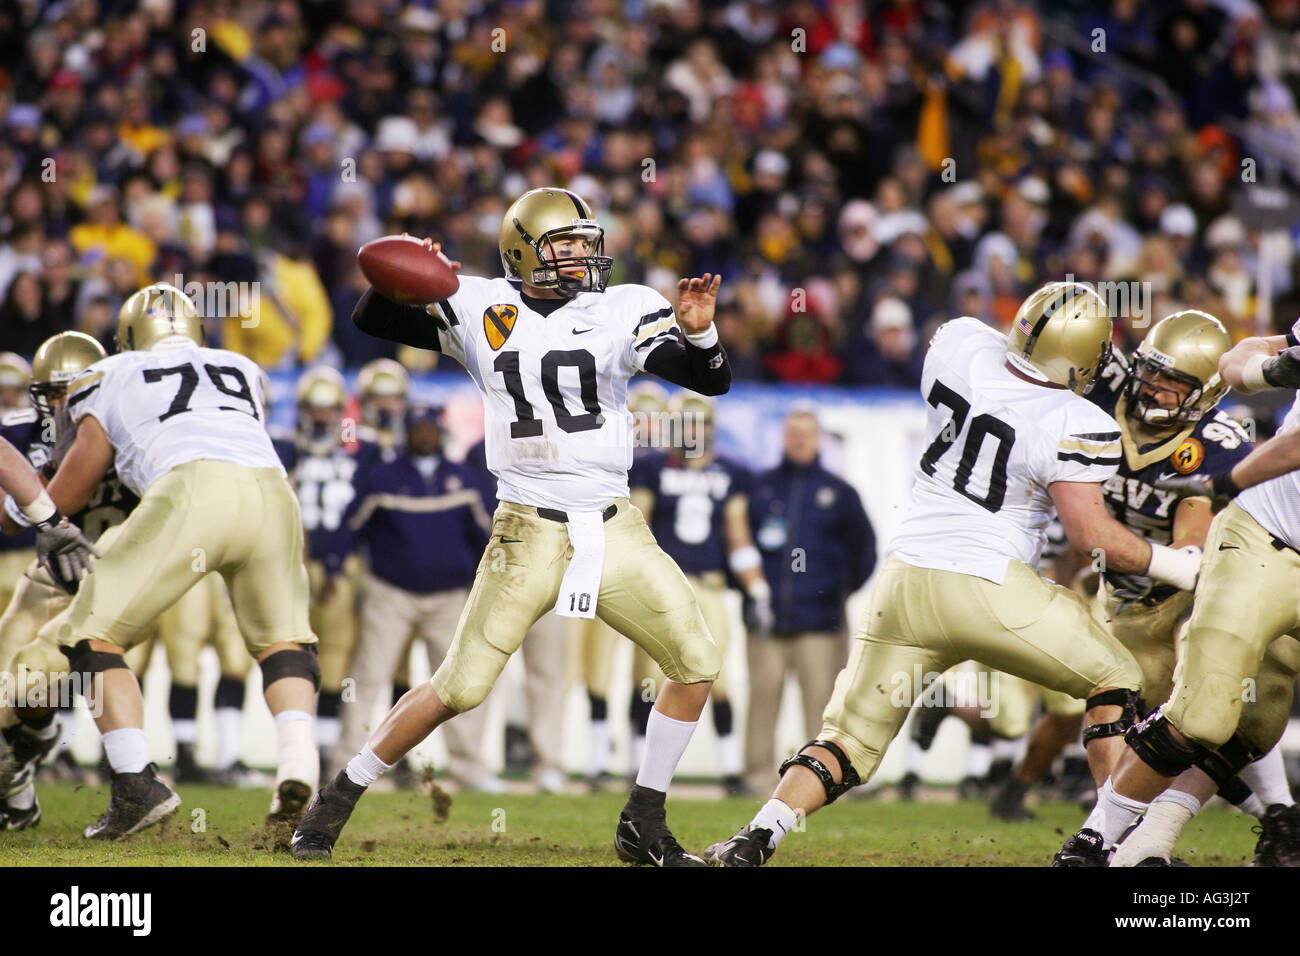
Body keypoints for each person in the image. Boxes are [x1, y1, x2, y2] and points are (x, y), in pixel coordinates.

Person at [292, 186, 731, 866]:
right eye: (567, 245)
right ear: (523, 251)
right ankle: (336, 800)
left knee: (697, 660)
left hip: (614, 524)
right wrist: (413, 271)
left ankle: (644, 818)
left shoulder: (623, 306)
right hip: (526, 526)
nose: (584, 256)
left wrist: (700, 330)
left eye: (588, 244)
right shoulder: (477, 303)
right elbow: (371, 315)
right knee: (459, 687)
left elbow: (710, 380)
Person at [704, 281, 1203, 866]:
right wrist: (1181, 565)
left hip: (906, 581)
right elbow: (1093, 537)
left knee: (849, 738)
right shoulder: (1074, 417)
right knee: (1115, 681)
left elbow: (993, 358)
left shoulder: (960, 345)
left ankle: (754, 838)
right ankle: (1112, 845)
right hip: (991, 587)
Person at [21, 283, 320, 842]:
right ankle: (299, 764)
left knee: (91, 632)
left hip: (190, 488)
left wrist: (40, 505)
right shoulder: (241, 366)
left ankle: (135, 784)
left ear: (127, 337)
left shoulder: (110, 373)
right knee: (284, 642)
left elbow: (74, 488)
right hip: (274, 494)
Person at [1061, 314, 1300, 866]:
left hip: (1189, 583)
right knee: (1115, 700)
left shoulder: (1215, 440)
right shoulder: (1100, 396)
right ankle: (1113, 835)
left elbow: (1193, 536)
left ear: (1202, 396)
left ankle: (1276, 811)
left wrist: (1153, 554)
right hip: (1125, 596)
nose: (1151, 389)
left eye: (1171, 383)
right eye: (1148, 372)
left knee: (1232, 692)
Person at [336, 402, 505, 793]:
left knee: (459, 684)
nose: (424, 436)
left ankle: (469, 769)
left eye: (430, 429)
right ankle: (344, 762)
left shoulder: (462, 477)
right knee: (367, 677)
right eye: (417, 430)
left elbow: (487, 533)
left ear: (441, 433)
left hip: (449, 597)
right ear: (406, 434)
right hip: (389, 593)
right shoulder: (382, 477)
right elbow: (351, 526)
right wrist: (332, 564)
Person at [628, 393, 770, 795]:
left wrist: (757, 587)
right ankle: (638, 771)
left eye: (700, 424)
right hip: (664, 584)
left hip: (710, 585)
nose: (693, 432)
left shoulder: (732, 472)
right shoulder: (652, 468)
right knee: (650, 679)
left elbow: (737, 533)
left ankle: (729, 770)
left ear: (711, 428)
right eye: (686, 423)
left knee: (715, 676)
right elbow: (641, 529)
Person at [742, 408, 873, 793]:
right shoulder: (760, 487)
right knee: (762, 701)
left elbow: (865, 552)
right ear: (783, 437)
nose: (799, 440)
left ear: (818, 440)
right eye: (793, 433)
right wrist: (749, 594)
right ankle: (756, 780)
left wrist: (835, 593)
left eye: (806, 434)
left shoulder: (840, 493)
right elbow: (737, 541)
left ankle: (820, 785)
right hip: (766, 622)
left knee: (822, 710)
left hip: (820, 624)